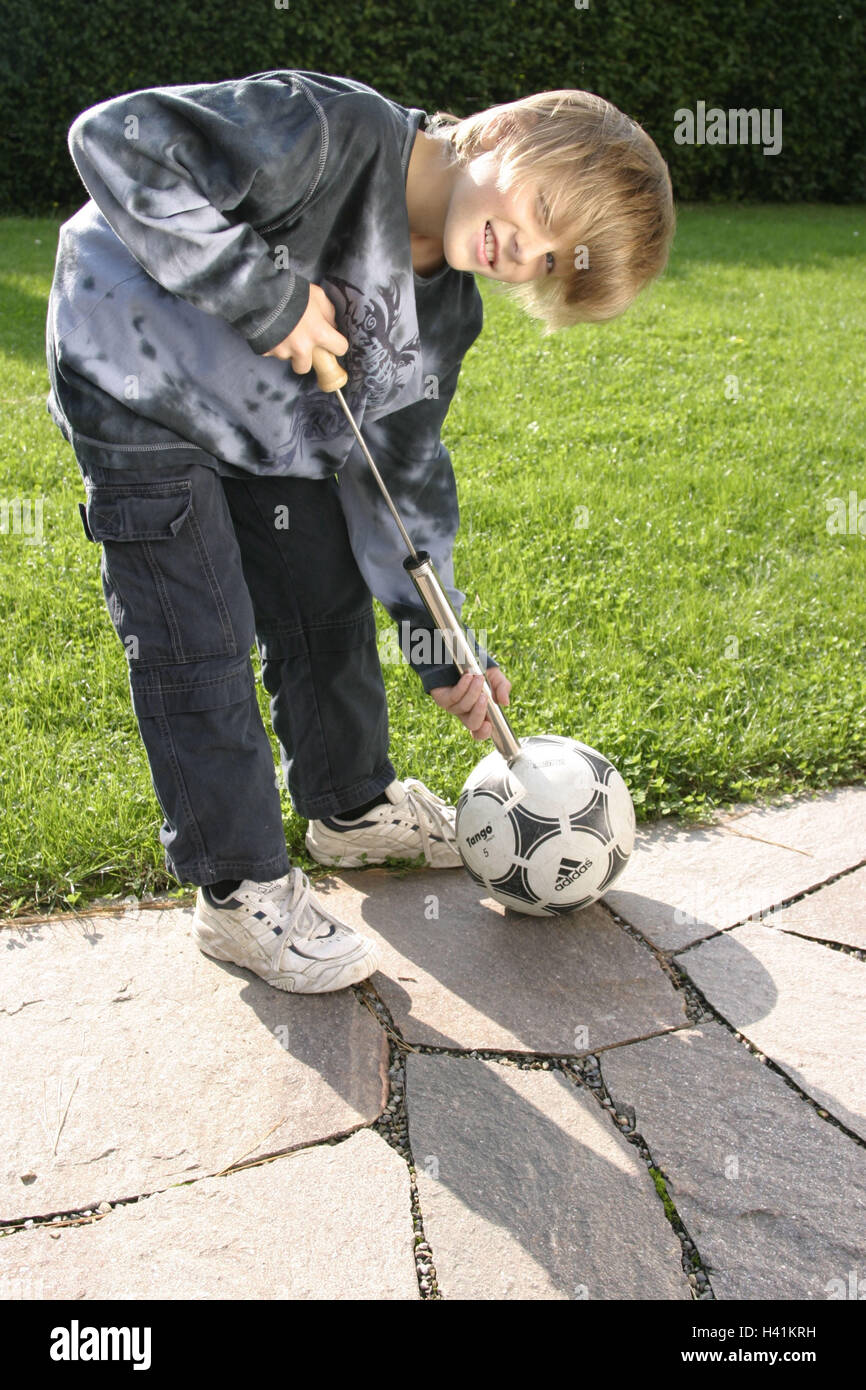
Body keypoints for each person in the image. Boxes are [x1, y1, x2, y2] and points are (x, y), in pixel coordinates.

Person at [45, 70, 674, 995]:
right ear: (503, 132)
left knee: (321, 589)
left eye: (550, 262)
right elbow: (114, 139)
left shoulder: (447, 311)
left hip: (266, 427)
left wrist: (446, 650)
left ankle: (350, 807)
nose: (523, 249)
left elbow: (400, 492)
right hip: (134, 384)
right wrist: (270, 300)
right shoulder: (331, 130)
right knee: (199, 635)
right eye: (541, 207)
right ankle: (239, 894)